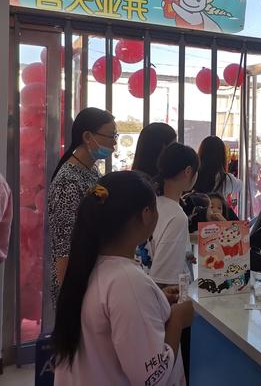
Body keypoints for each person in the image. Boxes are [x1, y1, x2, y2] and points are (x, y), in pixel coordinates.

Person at [52, 171, 192, 386]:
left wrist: (157, 301)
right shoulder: (127, 281)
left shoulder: (89, 267)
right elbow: (151, 378)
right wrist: (177, 320)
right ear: (146, 214)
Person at [48, 107, 116, 307]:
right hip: (75, 285)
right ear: (87, 137)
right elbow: (63, 248)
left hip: (92, 274)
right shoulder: (68, 182)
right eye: (111, 137)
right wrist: (71, 300)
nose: (114, 144)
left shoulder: (91, 170)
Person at [149, 143, 199, 287]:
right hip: (165, 296)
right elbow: (164, 280)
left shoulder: (153, 204)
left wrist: (183, 255)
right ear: (188, 171)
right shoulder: (176, 217)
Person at [194, 136, 242, 215]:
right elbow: (240, 186)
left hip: (196, 218)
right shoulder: (226, 179)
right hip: (218, 219)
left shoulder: (194, 176)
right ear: (222, 156)